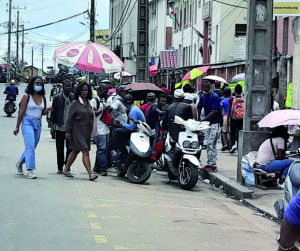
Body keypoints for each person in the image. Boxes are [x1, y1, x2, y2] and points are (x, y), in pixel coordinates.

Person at [13, 76, 52, 179]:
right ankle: (30, 170)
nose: (38, 85)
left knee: (32, 147)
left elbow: (42, 112)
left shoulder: (43, 98)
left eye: (40, 83)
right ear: (32, 84)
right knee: (30, 147)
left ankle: (19, 163)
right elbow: (21, 112)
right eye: (36, 83)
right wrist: (17, 126)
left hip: (38, 123)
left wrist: (47, 110)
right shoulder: (27, 96)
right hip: (27, 122)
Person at [63, 83, 98, 181]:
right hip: (77, 129)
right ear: (79, 91)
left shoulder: (88, 103)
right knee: (85, 150)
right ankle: (90, 174)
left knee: (76, 150)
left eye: (86, 90)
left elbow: (90, 115)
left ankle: (66, 169)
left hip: (86, 129)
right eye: (82, 90)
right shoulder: (75, 103)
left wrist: (94, 112)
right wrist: (68, 131)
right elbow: (69, 118)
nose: (84, 92)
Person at [197, 79, 222, 171]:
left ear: (211, 86)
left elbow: (214, 111)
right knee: (209, 143)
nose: (206, 88)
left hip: (215, 123)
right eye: (204, 87)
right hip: (208, 123)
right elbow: (199, 107)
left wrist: (203, 120)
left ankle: (212, 164)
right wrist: (198, 117)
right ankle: (210, 162)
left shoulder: (215, 97)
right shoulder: (202, 96)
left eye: (208, 86)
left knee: (211, 143)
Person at [50, 79, 74, 174]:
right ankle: (60, 167)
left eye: (70, 86)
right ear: (63, 86)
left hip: (70, 128)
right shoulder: (57, 98)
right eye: (67, 86)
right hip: (59, 126)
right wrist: (52, 126)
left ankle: (67, 166)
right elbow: (53, 112)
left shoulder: (73, 98)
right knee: (59, 148)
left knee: (70, 148)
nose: (69, 88)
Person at [113, 94, 146, 162]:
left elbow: (131, 128)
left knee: (116, 131)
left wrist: (121, 123)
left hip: (137, 132)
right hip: (138, 130)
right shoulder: (135, 109)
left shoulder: (133, 111)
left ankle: (123, 152)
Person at [90, 84, 110, 176]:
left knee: (103, 149)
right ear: (100, 90)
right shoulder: (94, 101)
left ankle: (97, 167)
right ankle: (103, 168)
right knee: (102, 149)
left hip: (105, 128)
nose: (106, 92)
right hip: (98, 128)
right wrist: (103, 110)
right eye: (105, 90)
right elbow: (93, 114)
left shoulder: (102, 100)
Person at [227, 84, 244, 153]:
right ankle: (239, 146)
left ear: (235, 90)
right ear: (241, 90)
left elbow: (230, 109)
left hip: (233, 117)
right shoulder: (244, 98)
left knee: (232, 132)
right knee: (240, 131)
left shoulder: (232, 99)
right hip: (242, 118)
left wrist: (228, 118)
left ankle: (233, 144)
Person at [220, 87, 231, 151]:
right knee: (230, 131)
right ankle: (230, 145)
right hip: (232, 117)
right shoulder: (233, 100)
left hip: (225, 116)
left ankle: (225, 144)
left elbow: (220, 110)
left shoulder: (223, 101)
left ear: (223, 94)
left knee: (223, 131)